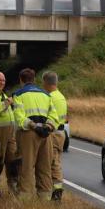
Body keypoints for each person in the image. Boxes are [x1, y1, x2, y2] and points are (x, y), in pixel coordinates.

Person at [12, 68, 58, 200]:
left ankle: (25, 199)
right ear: (34, 80)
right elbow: (54, 115)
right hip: (46, 134)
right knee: (44, 167)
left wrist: (34, 125)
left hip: (29, 133)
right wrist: (48, 126)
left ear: (21, 80)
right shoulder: (46, 95)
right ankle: (45, 198)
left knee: (26, 167)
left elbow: (19, 117)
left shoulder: (18, 94)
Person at [42, 71, 68, 201]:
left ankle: (57, 193)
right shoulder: (61, 96)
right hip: (60, 132)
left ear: (46, 83)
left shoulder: (50, 97)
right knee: (55, 161)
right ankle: (56, 190)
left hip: (53, 133)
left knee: (53, 163)